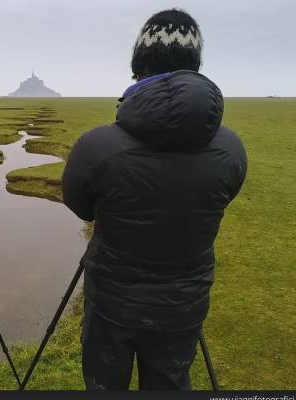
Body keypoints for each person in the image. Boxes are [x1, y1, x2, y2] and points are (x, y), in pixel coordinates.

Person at [62, 9, 247, 390]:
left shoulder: (97, 146)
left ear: (138, 68)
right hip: (184, 302)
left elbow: (82, 207)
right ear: (196, 66)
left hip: (111, 300)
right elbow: (221, 199)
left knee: (104, 384)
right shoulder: (231, 148)